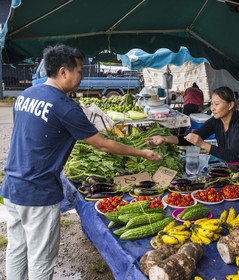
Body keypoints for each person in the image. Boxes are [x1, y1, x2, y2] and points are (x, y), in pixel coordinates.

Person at [0, 44, 162, 280]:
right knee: (41, 259)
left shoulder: (26, 95)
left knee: (17, 249)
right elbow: (103, 144)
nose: (82, 77)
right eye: (80, 71)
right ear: (64, 71)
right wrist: (143, 153)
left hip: (13, 186)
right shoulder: (64, 106)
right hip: (38, 192)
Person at [146, 86, 239, 179]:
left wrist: (203, 144)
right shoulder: (216, 120)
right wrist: (165, 138)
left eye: (217, 104)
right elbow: (191, 138)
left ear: (230, 105)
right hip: (234, 170)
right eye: (212, 104)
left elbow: (232, 155)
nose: (212, 108)